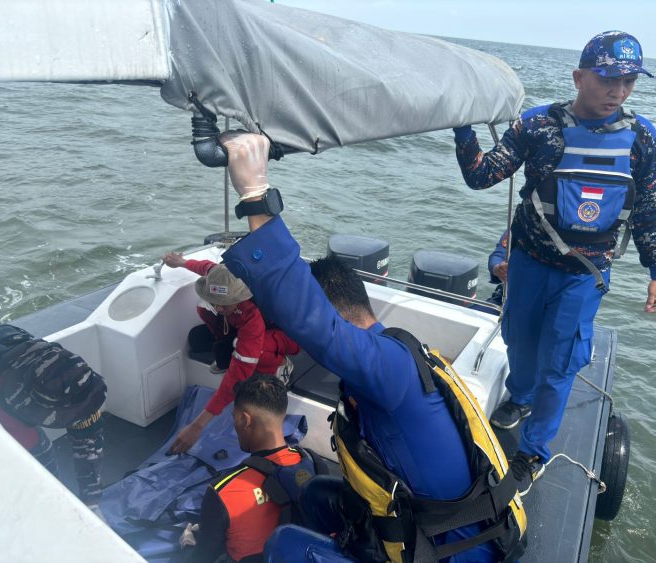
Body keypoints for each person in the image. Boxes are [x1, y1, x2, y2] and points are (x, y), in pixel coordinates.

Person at [211, 132, 526, 562]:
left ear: (336, 312)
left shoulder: (388, 369)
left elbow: (313, 323)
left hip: (451, 552)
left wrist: (255, 194)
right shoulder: (397, 353)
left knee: (284, 545)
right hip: (436, 520)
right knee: (320, 495)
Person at [452, 30, 656, 490]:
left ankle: (533, 452)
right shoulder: (537, 126)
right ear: (579, 76)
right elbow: (480, 176)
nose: (618, 91)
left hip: (584, 277)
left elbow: (649, 205)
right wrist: (461, 123)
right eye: (608, 78)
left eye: (629, 81)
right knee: (519, 344)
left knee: (561, 363)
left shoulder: (641, 138)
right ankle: (521, 395)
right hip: (528, 262)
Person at [164, 257, 300, 454]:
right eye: (217, 302)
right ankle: (236, 350)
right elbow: (206, 267)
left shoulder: (252, 316)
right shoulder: (224, 278)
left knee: (256, 353)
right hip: (242, 326)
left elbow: (238, 377)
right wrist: (181, 262)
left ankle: (278, 367)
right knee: (203, 307)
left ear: (239, 298)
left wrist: (197, 426)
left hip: (285, 336)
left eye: (224, 304)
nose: (219, 308)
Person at [179, 374, 317, 563]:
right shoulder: (314, 463)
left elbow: (203, 558)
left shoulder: (222, 492)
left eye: (233, 417)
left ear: (245, 420)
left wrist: (187, 548)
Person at [0, 323, 107, 510]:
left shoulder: (75, 378)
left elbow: (89, 438)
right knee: (38, 456)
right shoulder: (6, 400)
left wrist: (92, 501)